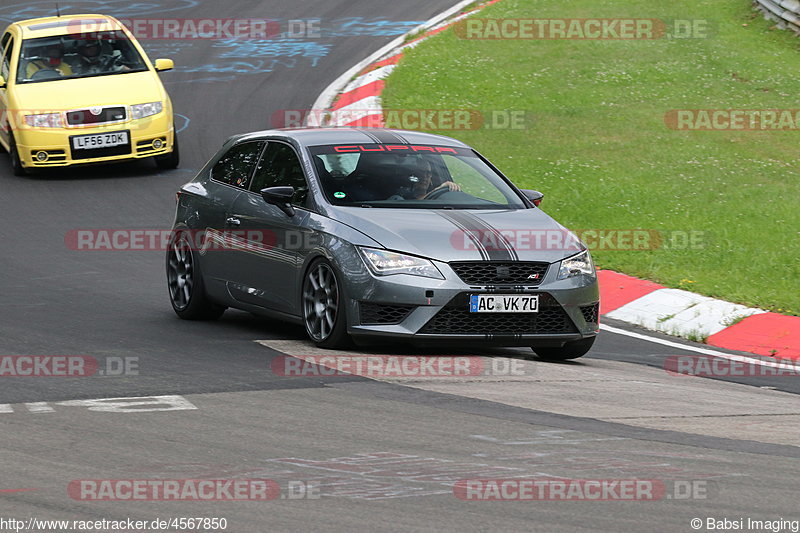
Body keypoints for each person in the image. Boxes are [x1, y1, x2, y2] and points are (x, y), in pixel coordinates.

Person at [391, 160, 461, 200]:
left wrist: (453, 188)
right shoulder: (401, 195)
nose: (424, 176)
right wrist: (438, 189)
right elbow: (416, 204)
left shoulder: (439, 197)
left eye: (428, 173)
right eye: (420, 173)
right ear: (413, 175)